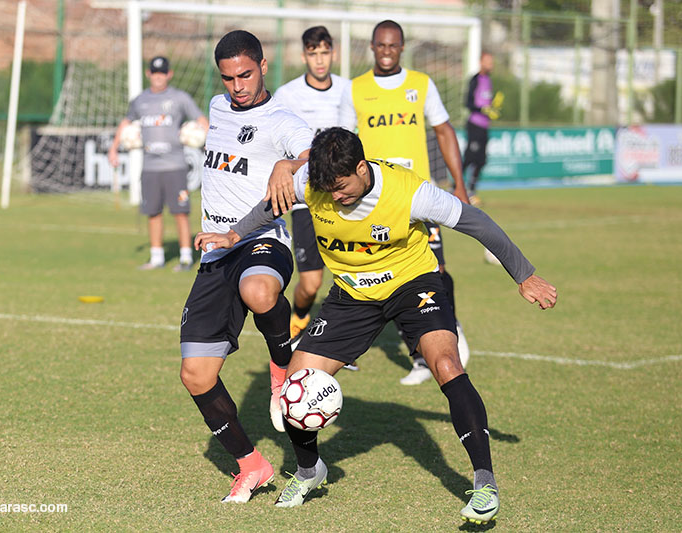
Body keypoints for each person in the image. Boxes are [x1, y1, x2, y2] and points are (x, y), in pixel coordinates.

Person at [195, 127, 557, 523]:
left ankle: (484, 483)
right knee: (295, 387)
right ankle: (309, 470)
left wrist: (524, 275)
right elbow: (271, 204)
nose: (335, 197)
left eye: (341, 186)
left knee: (446, 363)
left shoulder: (411, 192)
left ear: (362, 168)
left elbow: (477, 222)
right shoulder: (313, 183)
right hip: (351, 295)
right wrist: (233, 234)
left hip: (412, 284)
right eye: (326, 189)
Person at [178, 30, 312, 503]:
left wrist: (288, 166)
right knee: (196, 374)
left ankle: (281, 369)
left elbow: (315, 149)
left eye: (246, 74)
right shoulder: (216, 107)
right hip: (215, 252)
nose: (237, 86)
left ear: (263, 65)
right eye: (229, 78)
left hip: (261, 240)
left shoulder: (281, 118)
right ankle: (251, 465)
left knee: (260, 293)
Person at [339, 20, 470, 385]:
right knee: (393, 276)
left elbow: (443, 131)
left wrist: (459, 184)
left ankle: (448, 332)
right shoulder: (356, 89)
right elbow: (345, 143)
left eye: (392, 46)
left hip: (418, 198)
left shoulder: (421, 85)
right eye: (380, 45)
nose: (386, 51)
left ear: (402, 47)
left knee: (437, 272)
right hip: (377, 202)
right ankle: (420, 356)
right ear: (371, 46)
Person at [273, 26, 355, 371]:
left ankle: (342, 344)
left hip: (343, 198)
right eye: (312, 53)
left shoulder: (348, 91)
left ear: (332, 53)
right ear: (304, 55)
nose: (319, 60)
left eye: (324, 52)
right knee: (310, 283)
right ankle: (299, 321)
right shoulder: (287, 95)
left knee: (351, 273)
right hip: (308, 200)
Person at [109, 56, 209, 271]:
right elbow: (126, 122)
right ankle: (157, 257)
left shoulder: (180, 98)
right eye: (155, 73)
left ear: (169, 74)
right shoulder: (140, 101)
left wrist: (210, 143)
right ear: (148, 74)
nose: (158, 77)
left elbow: (200, 120)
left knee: (180, 212)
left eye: (162, 73)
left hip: (175, 166)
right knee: (152, 212)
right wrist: (114, 148)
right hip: (150, 168)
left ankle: (185, 257)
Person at [463, 51, 497, 206]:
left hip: (484, 126)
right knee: (470, 157)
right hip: (474, 125)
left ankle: (472, 191)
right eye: (488, 61)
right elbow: (468, 103)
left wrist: (492, 110)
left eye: (492, 62)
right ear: (481, 62)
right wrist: (482, 109)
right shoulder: (475, 80)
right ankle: (455, 187)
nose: (491, 65)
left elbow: (486, 102)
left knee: (481, 160)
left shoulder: (489, 80)